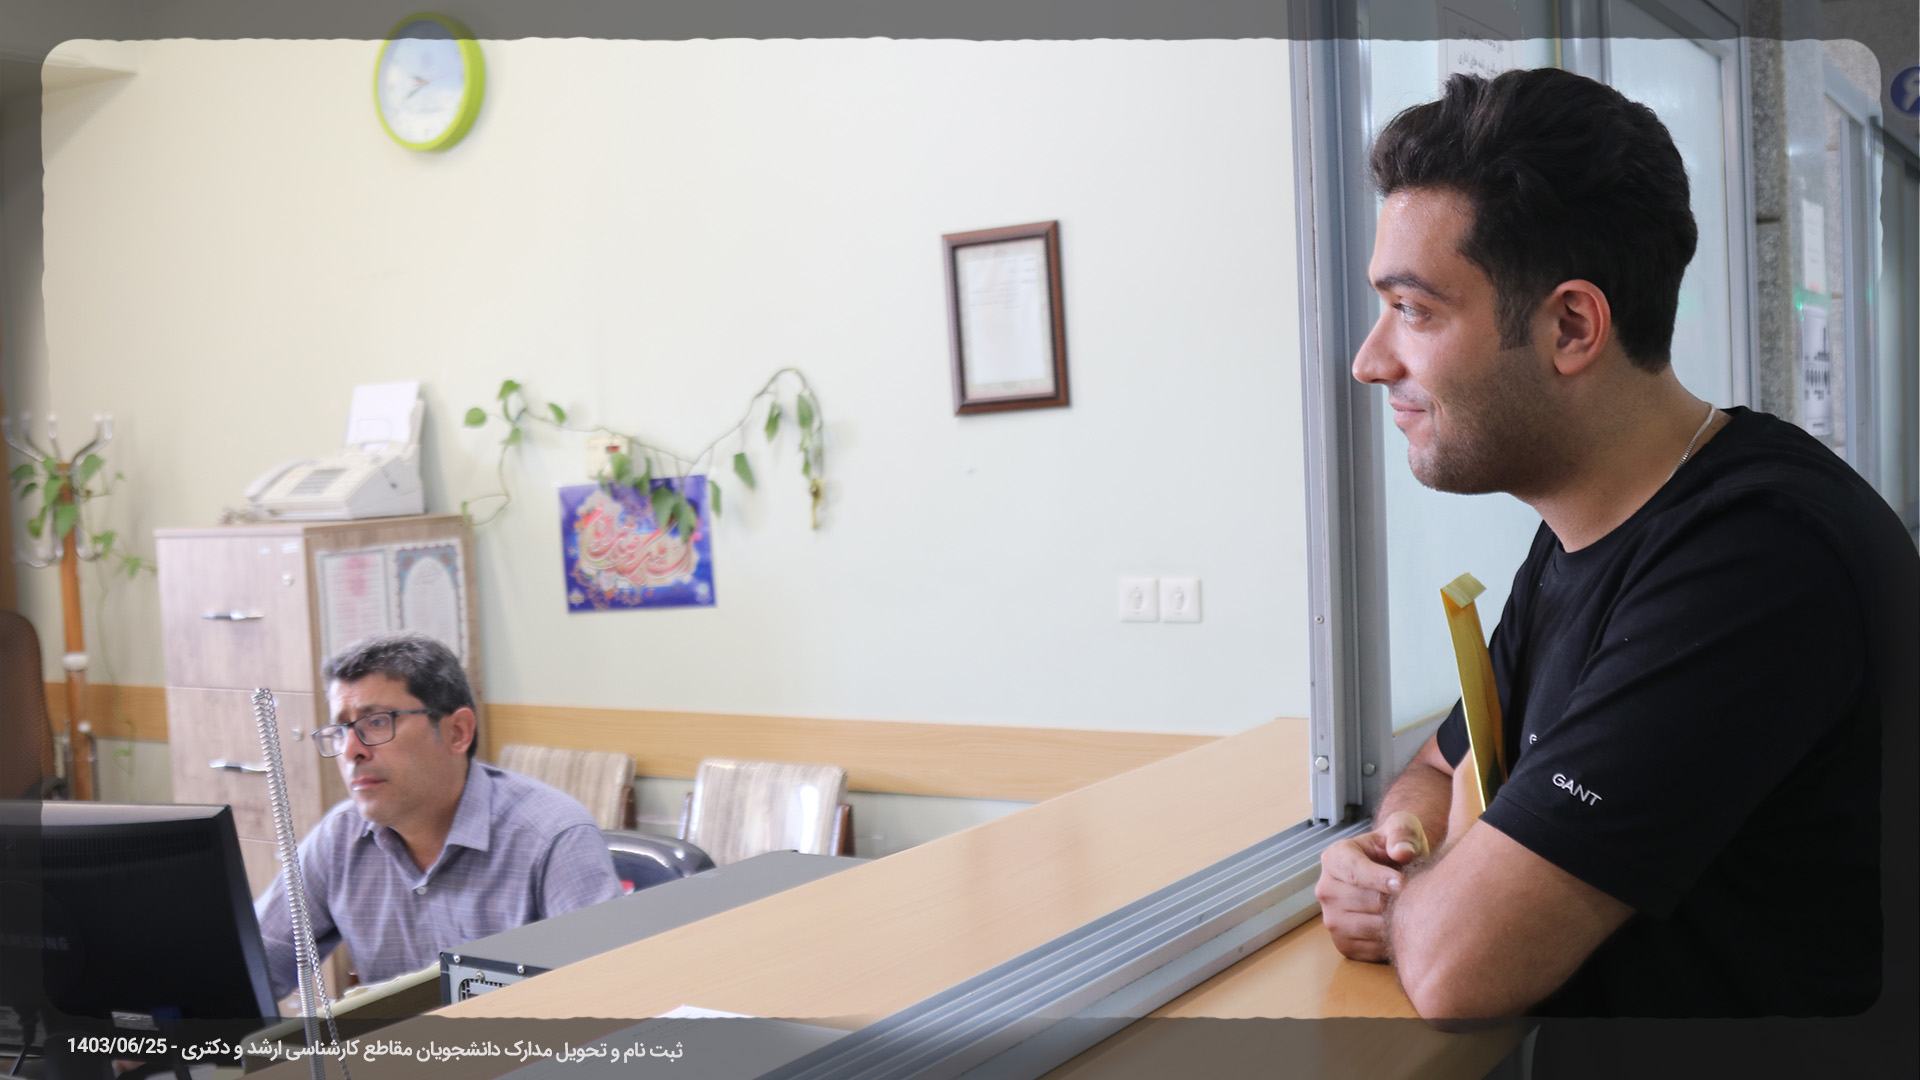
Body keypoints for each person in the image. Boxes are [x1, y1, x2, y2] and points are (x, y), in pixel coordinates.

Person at [1313, 67, 1917, 1019]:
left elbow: (1458, 967)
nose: (1370, 360)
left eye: (1415, 309)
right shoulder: (1582, 534)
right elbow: (1439, 768)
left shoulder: (1757, 561)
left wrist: (1412, 909)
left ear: (1572, 325)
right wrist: (1403, 853)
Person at [255, 633, 621, 998]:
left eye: (377, 722)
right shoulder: (340, 837)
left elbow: (609, 994)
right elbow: (252, 972)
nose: (351, 751)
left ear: (457, 732)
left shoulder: (553, 837)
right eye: (340, 731)